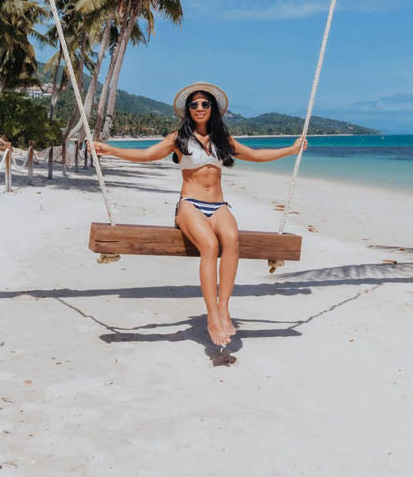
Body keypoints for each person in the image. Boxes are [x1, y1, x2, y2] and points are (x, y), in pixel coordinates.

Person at [93, 82, 308, 347]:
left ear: (213, 108)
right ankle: (212, 315)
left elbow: (256, 154)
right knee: (210, 245)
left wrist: (291, 149)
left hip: (218, 206)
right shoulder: (178, 138)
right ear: (188, 110)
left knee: (231, 240)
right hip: (190, 205)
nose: (199, 108)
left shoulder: (222, 140)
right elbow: (147, 154)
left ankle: (224, 307)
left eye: (205, 103)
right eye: (193, 104)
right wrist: (111, 150)